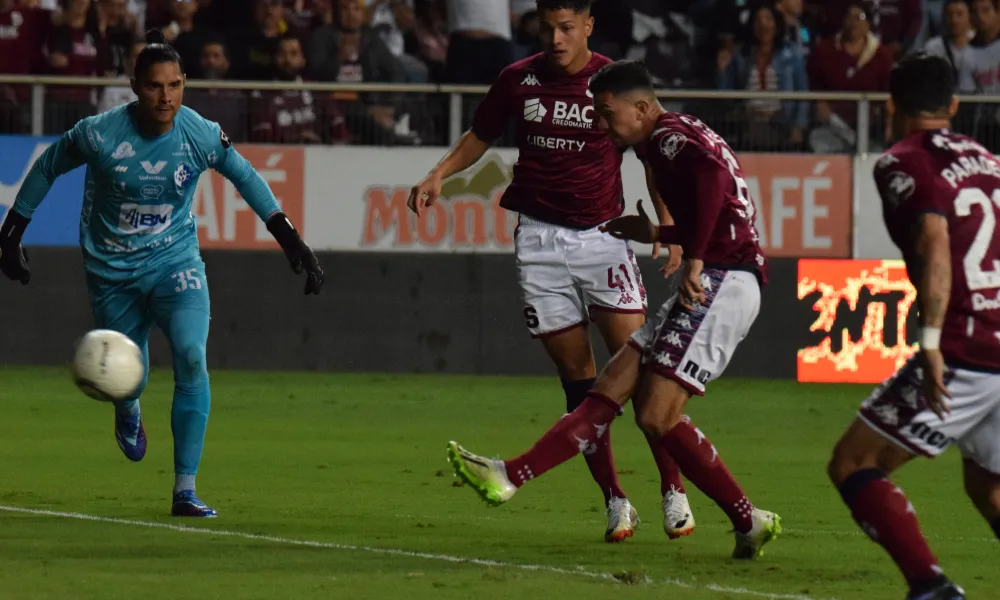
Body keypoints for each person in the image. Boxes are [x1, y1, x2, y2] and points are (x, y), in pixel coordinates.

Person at [446, 59, 782, 559]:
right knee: (607, 389)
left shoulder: (667, 135)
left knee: (655, 413)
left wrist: (692, 258)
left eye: (606, 115)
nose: (602, 127)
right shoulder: (681, 131)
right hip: (717, 272)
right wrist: (657, 234)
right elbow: (727, 209)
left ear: (642, 108)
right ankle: (508, 476)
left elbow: (713, 182)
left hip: (724, 281)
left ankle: (741, 515)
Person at [0, 30, 324, 518]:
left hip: (175, 261)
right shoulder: (100, 134)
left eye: (174, 85)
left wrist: (291, 240)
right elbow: (48, 165)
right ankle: (127, 406)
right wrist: (11, 232)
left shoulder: (198, 133)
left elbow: (246, 176)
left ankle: (185, 490)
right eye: (155, 86)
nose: (166, 96)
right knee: (130, 379)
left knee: (192, 356)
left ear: (185, 83)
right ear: (134, 86)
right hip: (111, 272)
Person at [409, 0, 693, 544]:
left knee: (637, 374)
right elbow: (481, 134)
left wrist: (667, 223)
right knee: (581, 386)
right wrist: (438, 173)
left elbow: (649, 156)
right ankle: (615, 501)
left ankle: (672, 488)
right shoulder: (518, 79)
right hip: (540, 243)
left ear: (588, 25)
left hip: (605, 239)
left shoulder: (612, 85)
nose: (557, 39)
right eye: (547, 29)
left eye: (567, 28)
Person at [828, 52, 1000, 600]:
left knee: (854, 461)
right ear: (952, 104)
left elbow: (932, 241)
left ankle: (931, 588)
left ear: (889, 107)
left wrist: (929, 341)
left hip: (965, 348)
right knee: (987, 482)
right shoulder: (991, 161)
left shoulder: (900, 161)